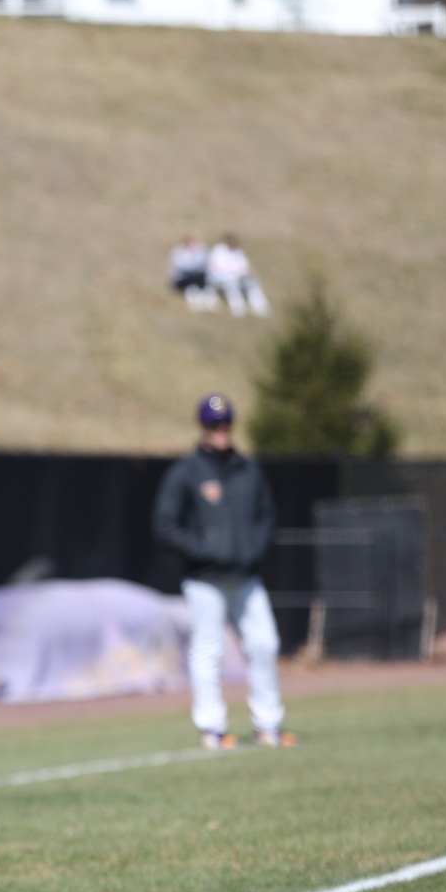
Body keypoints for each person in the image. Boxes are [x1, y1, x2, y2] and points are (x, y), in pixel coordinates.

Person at [152, 394, 294, 750]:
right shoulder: (187, 472)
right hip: (206, 581)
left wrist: (253, 551)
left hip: (246, 578)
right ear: (203, 427)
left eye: (226, 423)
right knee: (208, 651)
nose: (221, 430)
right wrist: (207, 553)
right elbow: (165, 525)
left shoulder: (248, 471)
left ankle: (268, 726)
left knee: (264, 645)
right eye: (214, 424)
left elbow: (267, 517)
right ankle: (212, 729)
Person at [206, 236, 271, 317]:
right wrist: (235, 272)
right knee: (232, 286)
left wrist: (246, 271)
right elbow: (218, 268)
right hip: (223, 278)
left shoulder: (238, 251)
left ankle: (259, 305)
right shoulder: (218, 252)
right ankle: (237, 307)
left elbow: (245, 264)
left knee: (252, 283)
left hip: (240, 276)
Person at [169, 235, 214, 310]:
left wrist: (201, 249)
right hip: (182, 278)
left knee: (203, 280)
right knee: (192, 284)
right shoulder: (179, 252)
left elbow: (204, 263)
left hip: (196, 277)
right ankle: (194, 302)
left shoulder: (199, 252)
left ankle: (207, 302)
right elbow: (181, 266)